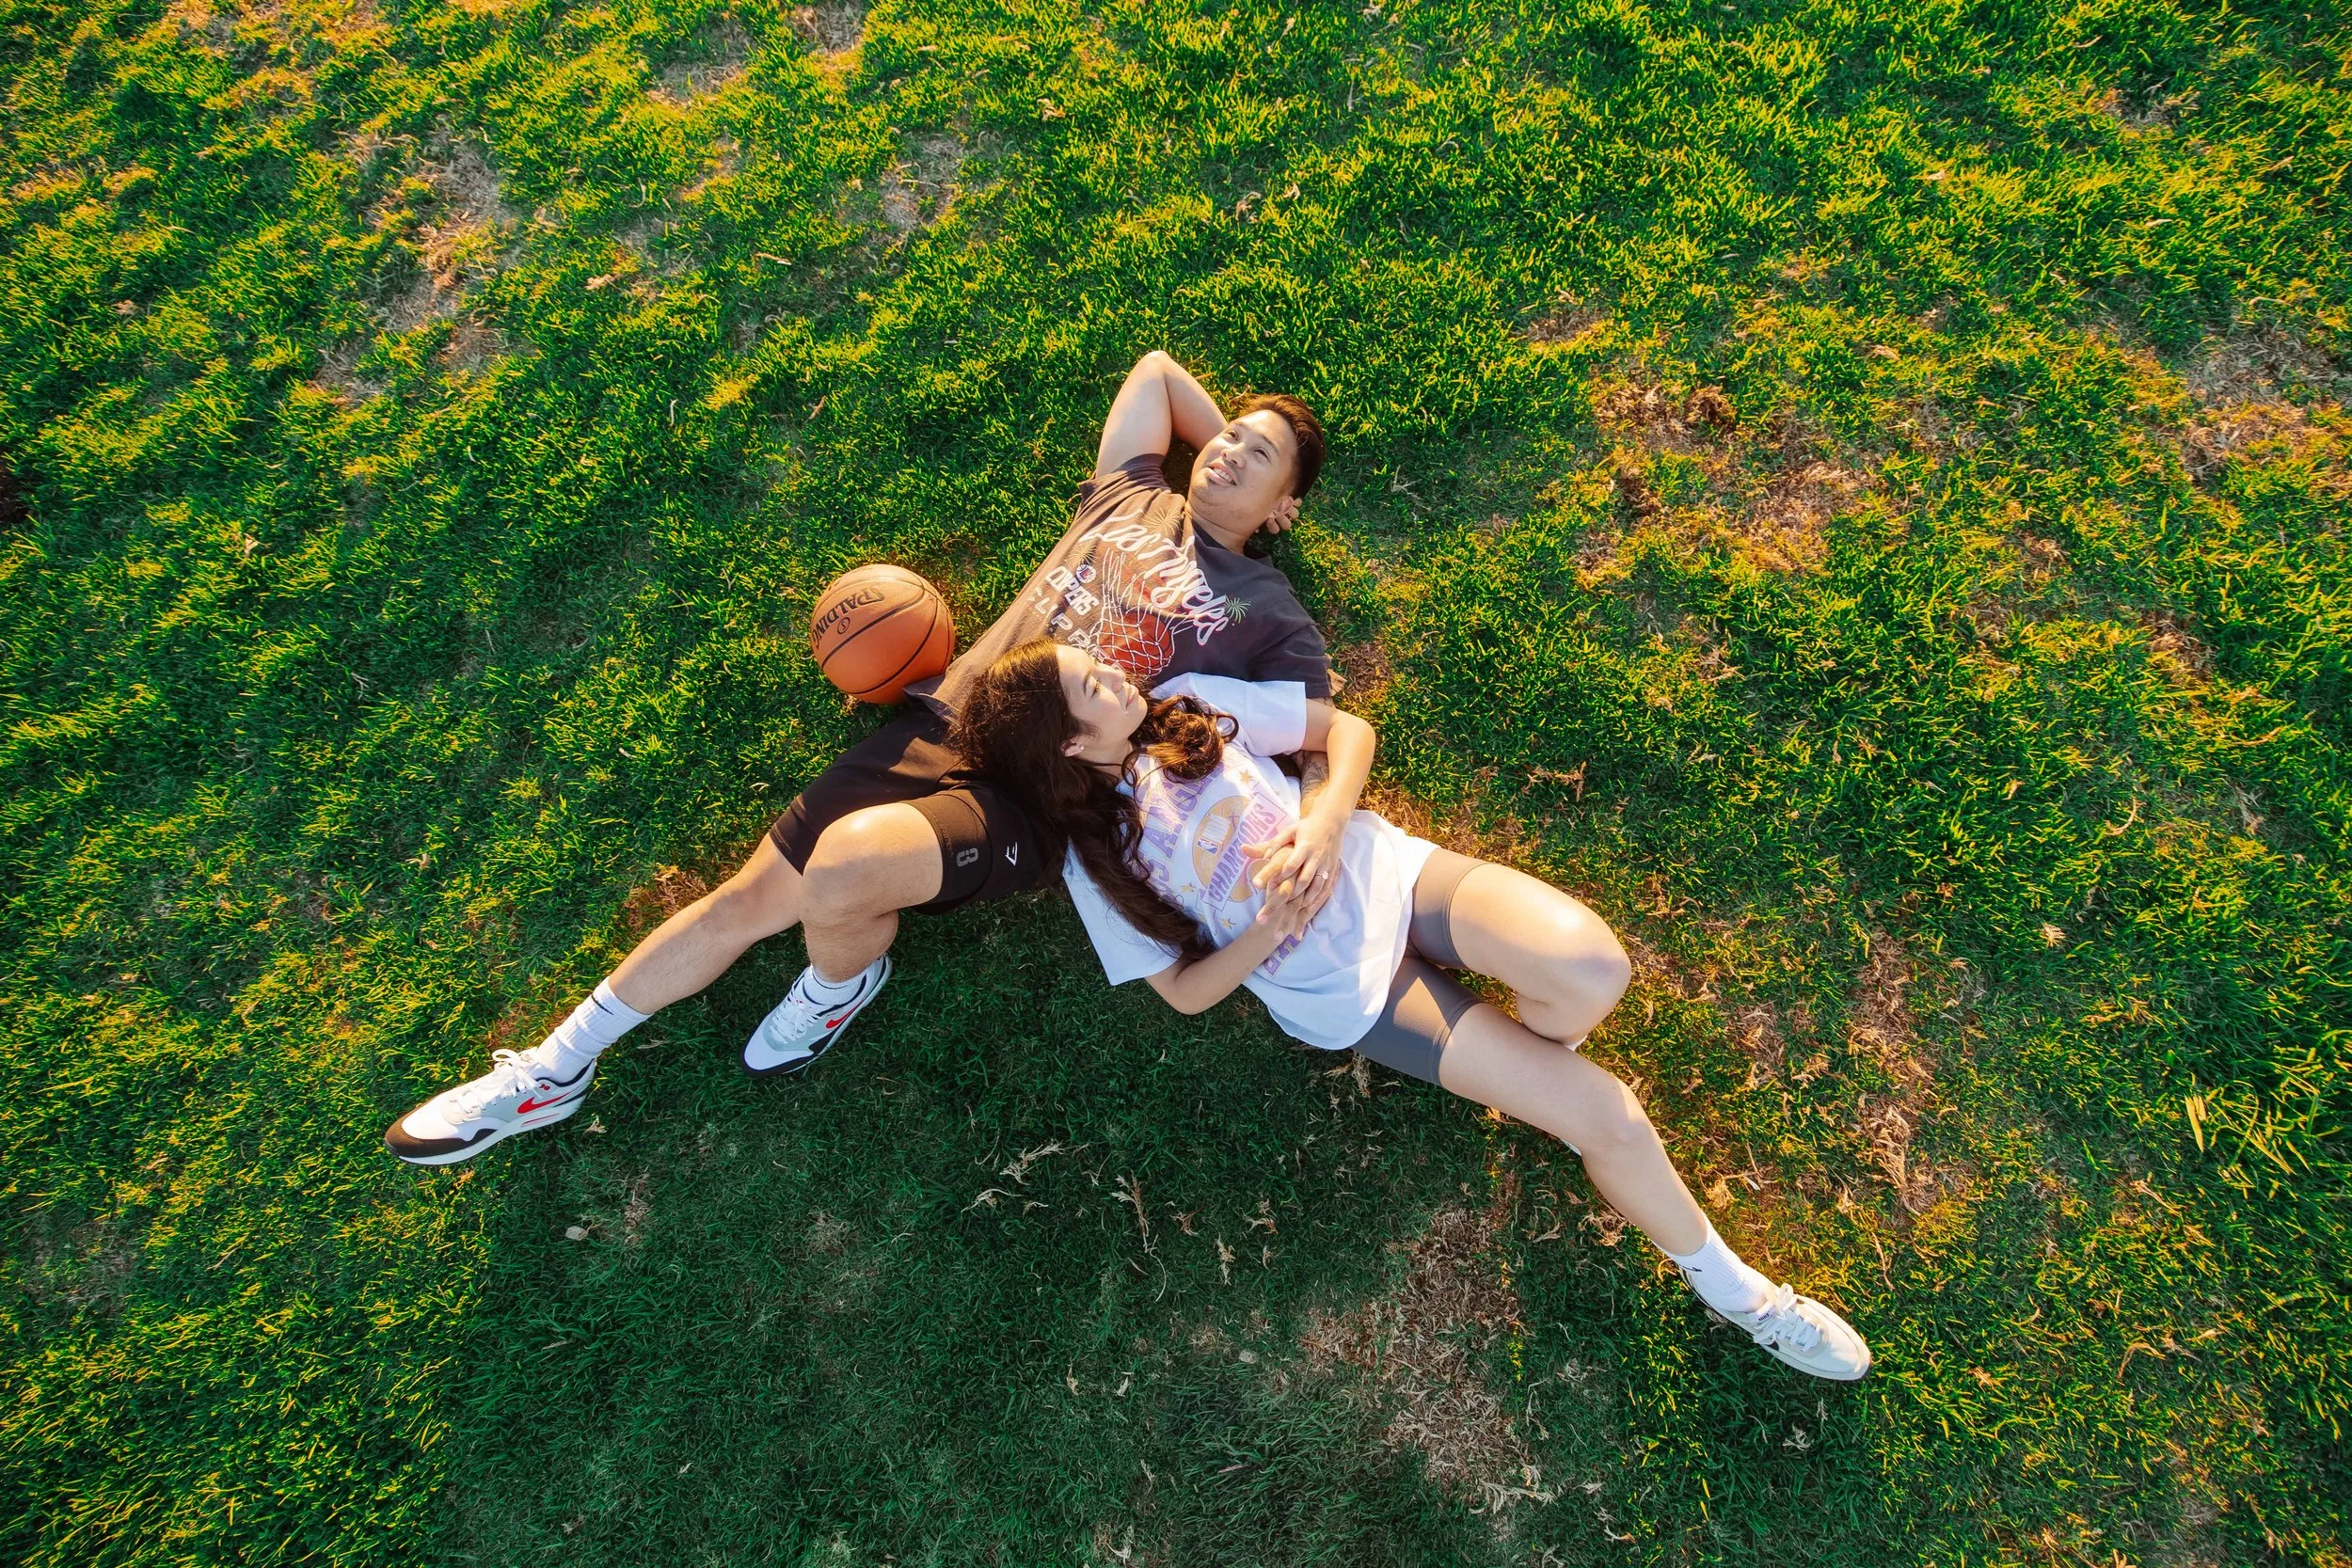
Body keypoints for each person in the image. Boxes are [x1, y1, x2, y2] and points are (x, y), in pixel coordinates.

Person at [386, 353, 1340, 1164]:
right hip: (952, 720)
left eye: (1260, 457)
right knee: (746, 900)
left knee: (843, 867)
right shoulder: (1132, 494)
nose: (1225, 451)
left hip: (1044, 790)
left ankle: (840, 981)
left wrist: (1316, 825)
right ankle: (550, 1070)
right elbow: (1158, 374)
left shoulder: (1265, 603)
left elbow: (1320, 729)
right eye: (1227, 437)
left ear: (1285, 503)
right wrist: (1236, 445)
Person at [950, 639, 1875, 1381]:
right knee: (1608, 1115)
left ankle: (1533, 1069)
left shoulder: (1183, 698)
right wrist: (1265, 925)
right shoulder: (1091, 864)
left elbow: (1343, 731)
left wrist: (1318, 822)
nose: (1113, 667)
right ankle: (1745, 1296)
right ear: (1068, 742)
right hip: (1344, 988)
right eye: (1090, 680)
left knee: (1592, 967)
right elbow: (1186, 994)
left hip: (1384, 871)